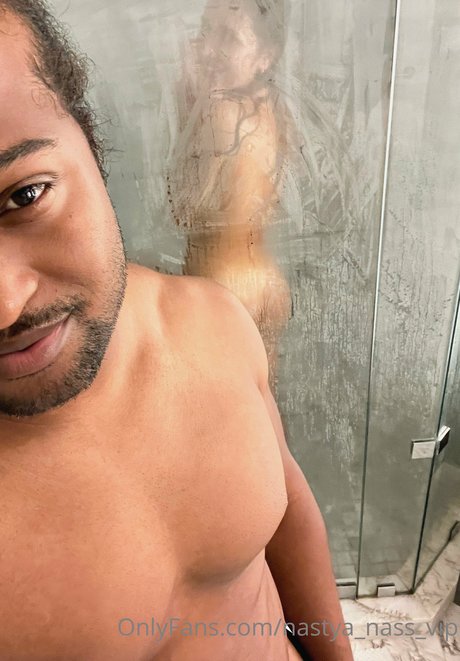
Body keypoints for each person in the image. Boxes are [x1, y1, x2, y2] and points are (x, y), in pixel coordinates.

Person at [0, 1, 353, 660]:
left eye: (25, 195)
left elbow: (291, 513)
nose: (5, 302)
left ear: (90, 139)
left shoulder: (214, 323)